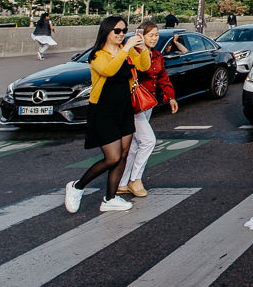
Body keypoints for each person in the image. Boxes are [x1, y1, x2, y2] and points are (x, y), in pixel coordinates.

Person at [64, 16, 150, 213]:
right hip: (104, 111)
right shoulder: (97, 55)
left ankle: (110, 198)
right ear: (106, 32)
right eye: (117, 31)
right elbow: (109, 70)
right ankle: (77, 186)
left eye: (124, 31)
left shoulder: (125, 52)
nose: (121, 34)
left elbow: (144, 66)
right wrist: (127, 48)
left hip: (125, 109)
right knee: (112, 157)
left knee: (123, 155)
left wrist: (143, 48)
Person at [119, 21, 177, 198]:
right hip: (133, 104)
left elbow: (162, 77)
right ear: (140, 36)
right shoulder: (132, 53)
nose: (154, 38)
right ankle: (135, 179)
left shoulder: (158, 55)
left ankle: (122, 182)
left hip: (148, 103)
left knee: (136, 145)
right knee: (148, 141)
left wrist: (171, 97)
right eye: (150, 35)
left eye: (156, 35)